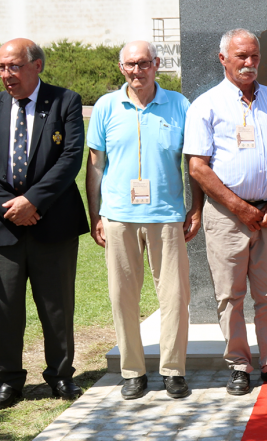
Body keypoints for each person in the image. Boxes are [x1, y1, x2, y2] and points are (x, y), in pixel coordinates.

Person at [0, 38, 90, 410]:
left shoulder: (65, 101)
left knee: (57, 305)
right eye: (2, 67)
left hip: (53, 222)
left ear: (37, 66)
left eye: (14, 66)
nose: (7, 74)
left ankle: (61, 376)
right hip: (3, 226)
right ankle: (8, 381)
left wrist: (33, 201)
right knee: (4, 309)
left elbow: (70, 158)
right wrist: (11, 206)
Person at [86, 41, 202, 400]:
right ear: (121, 68)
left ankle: (172, 370)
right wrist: (97, 214)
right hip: (119, 217)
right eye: (131, 64)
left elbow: (193, 164)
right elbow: (95, 166)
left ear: (156, 65)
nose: (138, 70)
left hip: (167, 216)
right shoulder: (107, 106)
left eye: (145, 63)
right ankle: (132, 370)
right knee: (123, 297)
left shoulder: (179, 105)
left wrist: (195, 207)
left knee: (174, 297)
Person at [184, 29, 267, 395]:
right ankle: (238, 364)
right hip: (227, 217)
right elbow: (198, 168)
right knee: (229, 296)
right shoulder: (207, 104)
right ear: (223, 59)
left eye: (254, 56)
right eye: (241, 57)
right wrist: (238, 206)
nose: (249, 63)